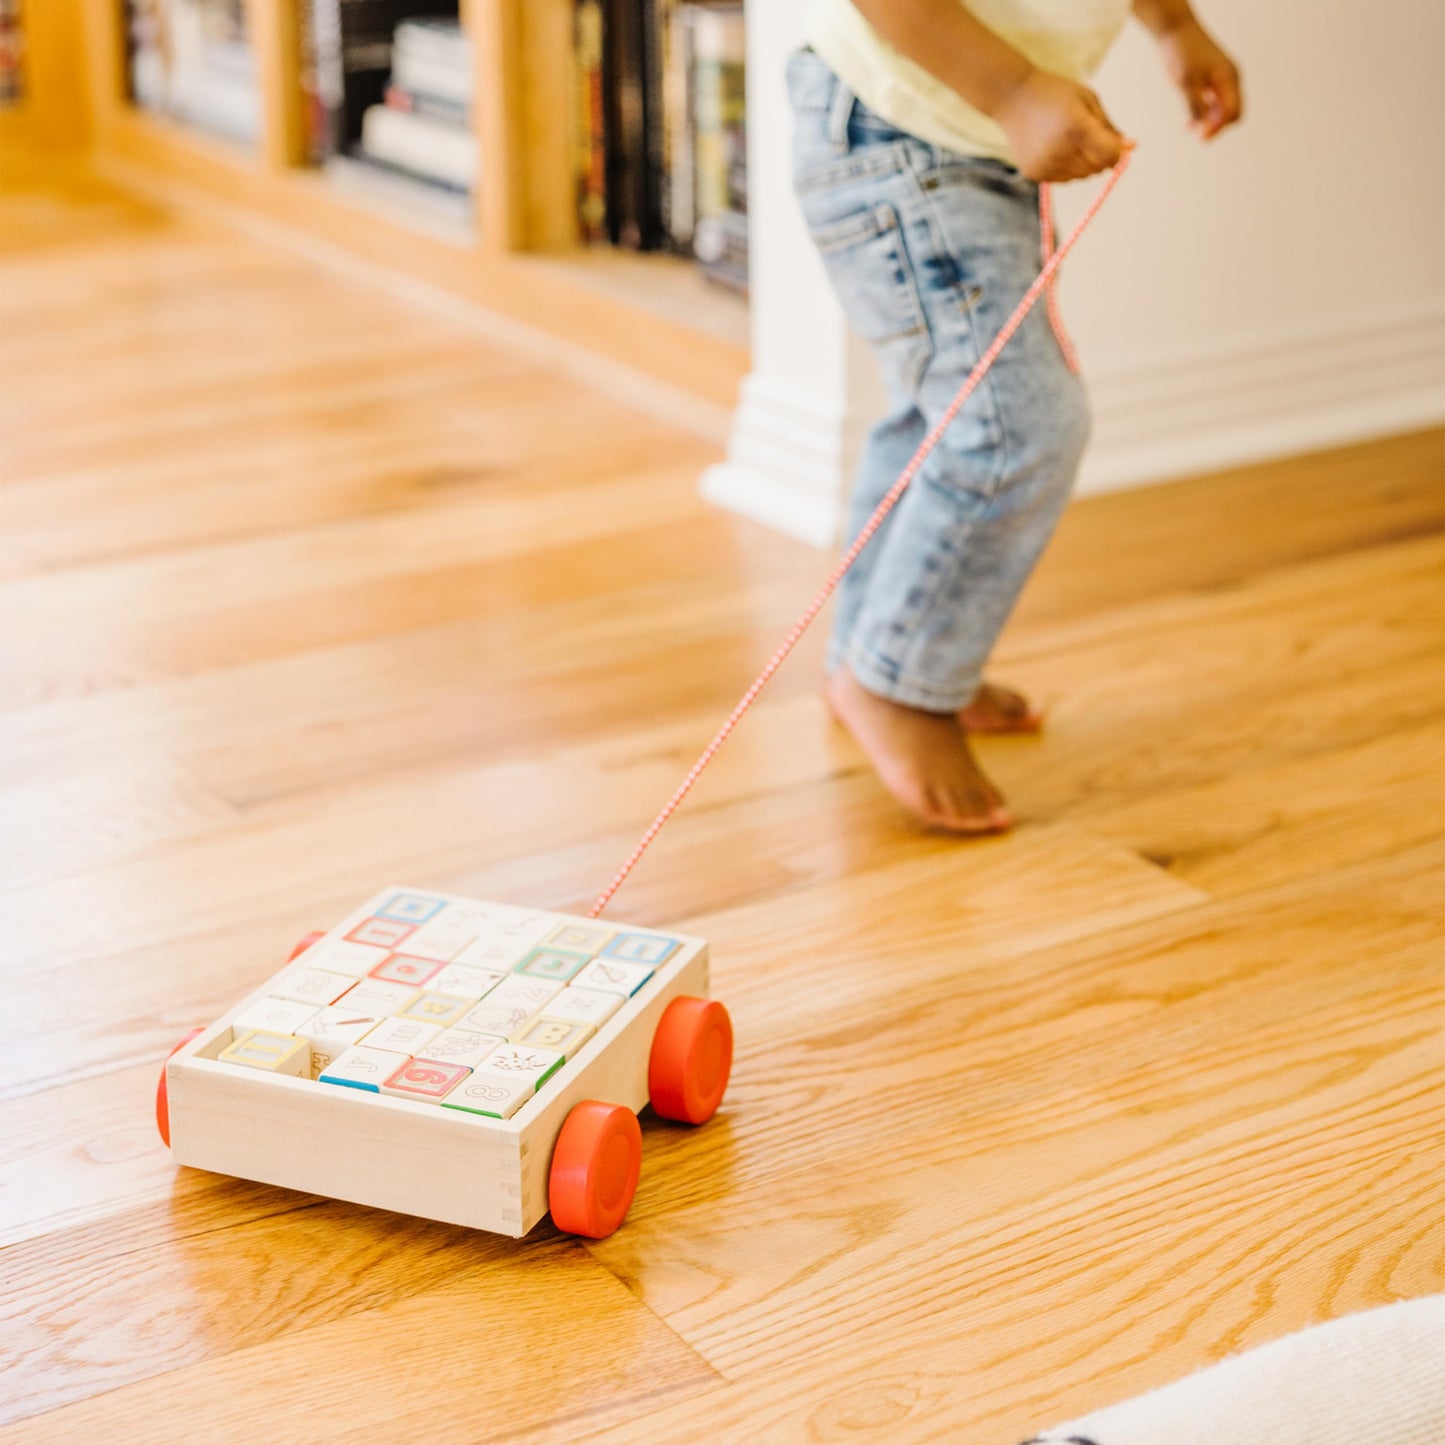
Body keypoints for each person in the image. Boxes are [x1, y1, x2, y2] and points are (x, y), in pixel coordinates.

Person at [792, 0, 1241, 831]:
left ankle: (879, 652)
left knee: (945, 413)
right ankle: (896, 680)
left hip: (966, 141)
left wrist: (1175, 28)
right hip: (896, 123)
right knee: (1014, 418)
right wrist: (1013, 90)